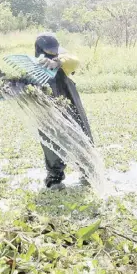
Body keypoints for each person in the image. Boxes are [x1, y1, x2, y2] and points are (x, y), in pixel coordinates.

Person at [35, 32, 94, 189]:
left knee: (81, 134)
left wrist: (58, 62)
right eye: (50, 51)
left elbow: (75, 60)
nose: (53, 52)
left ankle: (87, 172)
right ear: (40, 50)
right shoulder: (34, 65)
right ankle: (55, 177)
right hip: (46, 109)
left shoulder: (63, 60)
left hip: (69, 104)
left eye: (55, 50)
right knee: (50, 140)